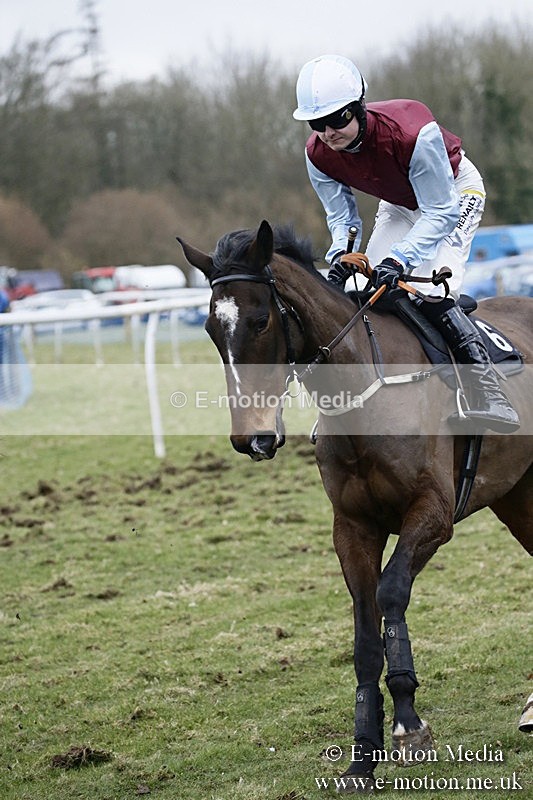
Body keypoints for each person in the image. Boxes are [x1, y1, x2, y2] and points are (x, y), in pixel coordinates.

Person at [293, 54, 519, 433]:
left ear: (359, 108)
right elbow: (343, 219)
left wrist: (399, 259)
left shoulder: (414, 132)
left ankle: (487, 389)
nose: (329, 132)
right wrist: (341, 254)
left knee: (430, 290)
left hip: (453, 196)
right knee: (362, 290)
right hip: (400, 203)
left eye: (338, 119)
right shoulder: (316, 154)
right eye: (318, 123)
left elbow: (440, 213)